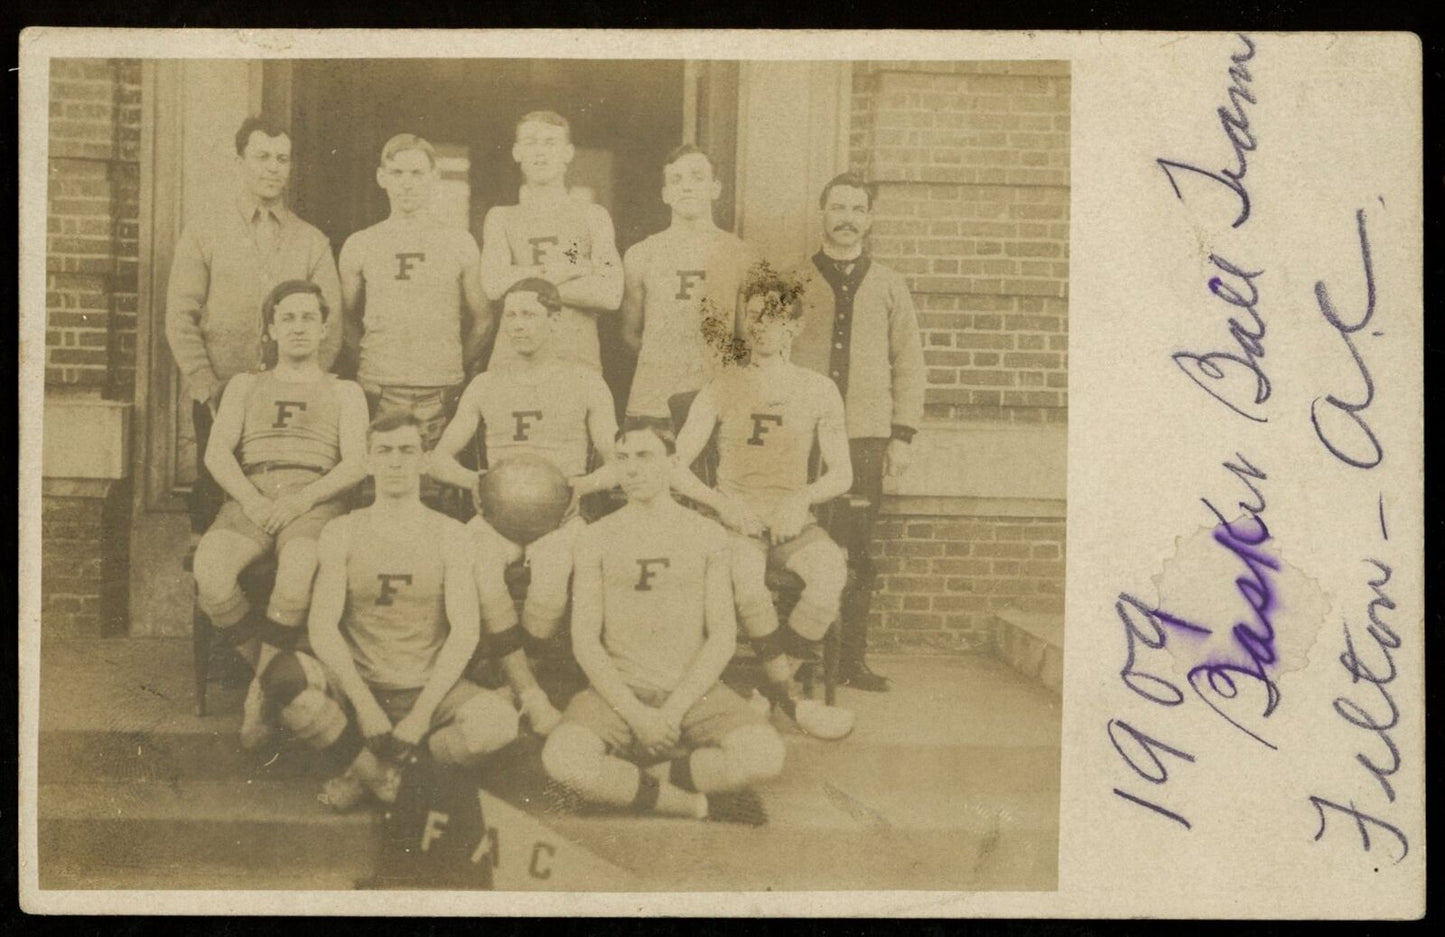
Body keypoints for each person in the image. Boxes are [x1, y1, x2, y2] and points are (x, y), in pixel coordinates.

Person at [258, 412, 521, 811]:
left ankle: (375, 774)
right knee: (283, 679)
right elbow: (323, 628)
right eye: (384, 451)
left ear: (424, 461)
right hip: (358, 686)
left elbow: (465, 632)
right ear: (367, 462)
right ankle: (376, 773)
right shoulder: (342, 530)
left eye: (406, 450)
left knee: (499, 725)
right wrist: (363, 705)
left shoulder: (451, 534)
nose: (395, 461)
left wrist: (420, 715)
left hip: (428, 687)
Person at [540, 424, 785, 823]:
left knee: (766, 756)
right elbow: (584, 639)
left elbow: (722, 635)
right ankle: (693, 804)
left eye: (644, 457)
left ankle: (638, 781)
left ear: (672, 465)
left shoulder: (706, 534)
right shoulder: (596, 537)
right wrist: (637, 716)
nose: (632, 469)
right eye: (623, 459)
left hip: (693, 692)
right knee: (561, 760)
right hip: (618, 693)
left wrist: (670, 713)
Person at [670, 265, 856, 740]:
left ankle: (773, 691)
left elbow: (842, 473)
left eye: (773, 316)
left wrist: (802, 500)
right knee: (748, 583)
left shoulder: (818, 389)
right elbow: (673, 466)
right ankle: (793, 700)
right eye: (752, 316)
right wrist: (721, 504)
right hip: (737, 520)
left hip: (792, 519)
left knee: (829, 574)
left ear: (793, 325)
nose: (760, 326)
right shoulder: (720, 385)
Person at [430, 278, 620, 736]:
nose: (518, 325)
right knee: (474, 559)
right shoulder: (485, 385)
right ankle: (530, 694)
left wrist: (583, 485)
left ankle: (516, 681)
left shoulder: (586, 382)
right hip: (497, 516)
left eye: (529, 314)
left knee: (553, 573)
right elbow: (436, 458)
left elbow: (620, 463)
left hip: (561, 516)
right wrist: (471, 480)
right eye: (511, 316)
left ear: (555, 321)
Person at [190, 279, 368, 750]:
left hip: (315, 498)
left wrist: (303, 499)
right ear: (270, 328)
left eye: (309, 317)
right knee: (210, 571)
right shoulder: (246, 386)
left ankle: (257, 698)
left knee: (299, 567)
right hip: (253, 495)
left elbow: (355, 462)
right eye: (288, 318)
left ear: (325, 327)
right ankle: (272, 677)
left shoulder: (345, 391)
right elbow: (217, 454)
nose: (299, 327)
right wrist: (251, 500)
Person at [166, 116, 343, 530]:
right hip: (218, 396)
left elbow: (330, 325)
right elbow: (180, 314)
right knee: (215, 515)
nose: (273, 168)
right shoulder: (205, 231)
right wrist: (204, 382)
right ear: (239, 161)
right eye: (262, 156)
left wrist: (310, 383)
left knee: (286, 510)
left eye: (282, 158)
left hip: (290, 404)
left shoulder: (311, 241)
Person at [789, 173, 926, 692]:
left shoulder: (889, 284)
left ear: (869, 219)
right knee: (798, 542)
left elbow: (909, 363)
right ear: (822, 212)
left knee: (859, 551)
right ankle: (802, 658)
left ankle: (849, 662)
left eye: (857, 209)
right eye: (837, 207)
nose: (846, 218)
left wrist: (902, 436)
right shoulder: (793, 280)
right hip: (802, 439)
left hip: (866, 439)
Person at [337, 133, 490, 503]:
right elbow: (341, 318)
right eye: (398, 172)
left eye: (417, 173)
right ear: (381, 177)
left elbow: (484, 319)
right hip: (379, 389)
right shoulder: (361, 243)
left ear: (434, 177)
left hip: (439, 390)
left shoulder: (459, 242)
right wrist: (371, 361)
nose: (407, 182)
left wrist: (454, 367)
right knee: (379, 490)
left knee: (439, 494)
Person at [621, 144, 758, 423]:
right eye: (677, 180)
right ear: (665, 194)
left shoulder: (740, 254)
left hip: (716, 402)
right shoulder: (641, 254)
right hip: (652, 401)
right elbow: (631, 334)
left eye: (697, 178)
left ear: (715, 188)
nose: (686, 187)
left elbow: (746, 339)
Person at [481, 110, 622, 372]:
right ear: (517, 152)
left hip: (576, 362)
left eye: (550, 143)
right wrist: (570, 271)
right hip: (513, 363)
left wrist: (520, 283)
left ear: (568, 153)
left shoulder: (592, 216)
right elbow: (492, 284)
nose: (540, 152)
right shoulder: (501, 217)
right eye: (531, 142)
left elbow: (610, 294)